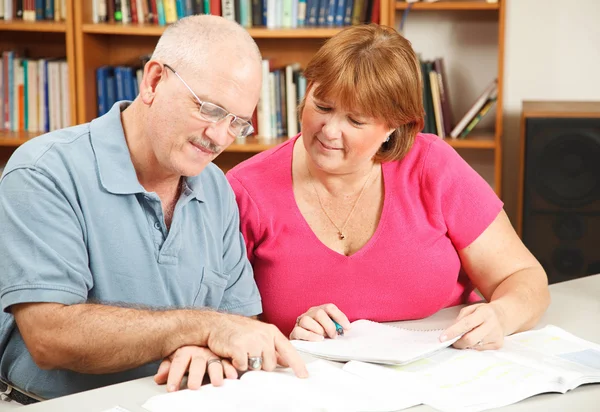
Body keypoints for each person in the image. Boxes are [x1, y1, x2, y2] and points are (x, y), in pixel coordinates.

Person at [0, 15, 306, 404]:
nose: (219, 137)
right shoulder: (44, 171)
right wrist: (201, 328)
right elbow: (50, 336)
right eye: (210, 109)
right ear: (154, 81)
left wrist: (206, 347)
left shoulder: (216, 187)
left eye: (237, 122)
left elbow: (238, 323)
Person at [227, 24, 550, 351]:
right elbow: (223, 321)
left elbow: (524, 277)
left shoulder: (431, 166)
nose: (329, 130)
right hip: (312, 381)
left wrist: (501, 316)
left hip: (442, 371)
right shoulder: (244, 189)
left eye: (355, 121)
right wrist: (281, 334)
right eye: (322, 106)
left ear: (394, 127)